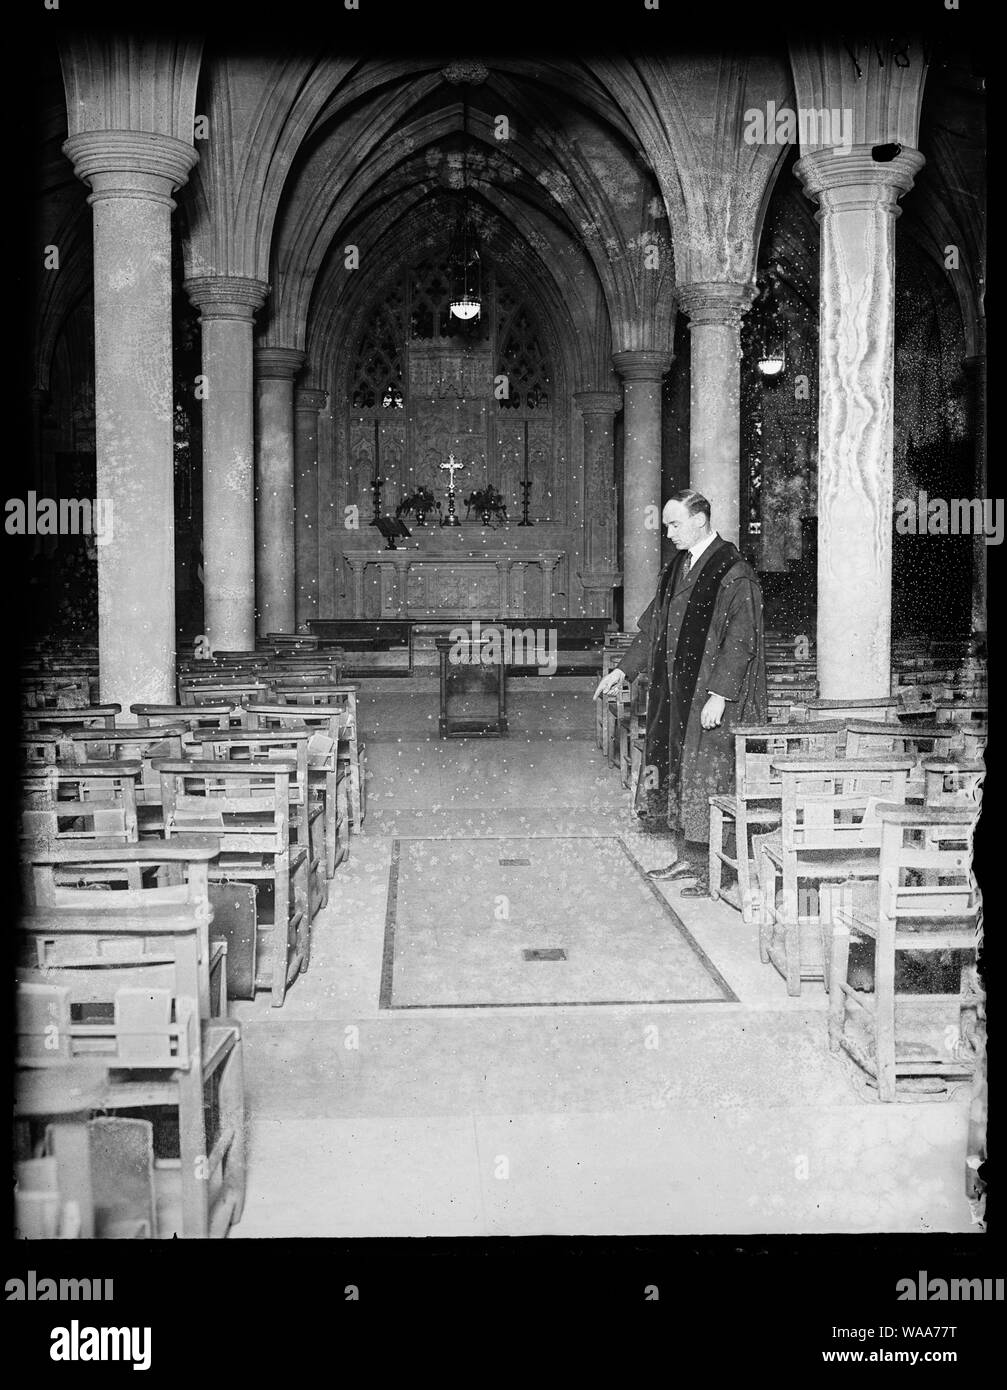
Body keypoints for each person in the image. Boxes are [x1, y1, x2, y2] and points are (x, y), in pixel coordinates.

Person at [594, 489, 767, 895]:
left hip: (709, 698)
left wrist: (720, 695)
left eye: (674, 524)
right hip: (676, 694)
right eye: (667, 524)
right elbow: (654, 627)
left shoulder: (733, 571)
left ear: (701, 520)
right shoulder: (679, 567)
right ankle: (689, 857)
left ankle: (715, 871)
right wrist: (623, 670)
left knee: (710, 776)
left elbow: (741, 642)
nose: (667, 532)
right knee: (683, 772)